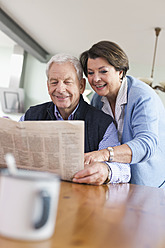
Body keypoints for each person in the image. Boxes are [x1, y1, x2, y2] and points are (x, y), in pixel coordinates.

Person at [20, 53, 130, 185]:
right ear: (48, 86)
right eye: (54, 82)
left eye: (67, 82)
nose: (60, 89)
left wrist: (106, 170)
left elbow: (125, 170)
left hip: (81, 198)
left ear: (81, 86)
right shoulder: (31, 116)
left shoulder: (102, 123)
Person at [80, 40, 165, 188]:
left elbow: (146, 144)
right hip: (117, 182)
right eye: (90, 73)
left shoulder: (142, 96)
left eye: (103, 71)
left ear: (120, 72)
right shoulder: (97, 100)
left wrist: (104, 154)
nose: (95, 79)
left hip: (149, 185)